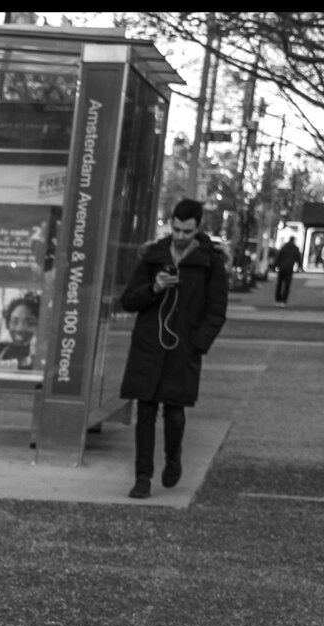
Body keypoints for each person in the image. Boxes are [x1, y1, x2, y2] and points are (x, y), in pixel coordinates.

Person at [117, 198, 228, 499]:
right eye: (176, 229)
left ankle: (173, 458)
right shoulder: (153, 256)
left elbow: (217, 309)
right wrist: (154, 288)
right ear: (171, 225)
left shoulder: (210, 262)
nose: (180, 237)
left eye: (187, 232)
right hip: (149, 344)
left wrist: (198, 344)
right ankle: (142, 477)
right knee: (146, 411)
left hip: (183, 346)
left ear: (197, 229)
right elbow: (128, 300)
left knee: (175, 411)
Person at [0, 293, 41, 369]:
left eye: (30, 323)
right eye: (14, 322)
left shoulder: (41, 357)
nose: (20, 329)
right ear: (7, 324)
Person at [273, 235, 303, 305]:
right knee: (287, 285)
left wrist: (275, 266)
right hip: (289, 268)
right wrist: (300, 267)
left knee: (279, 284)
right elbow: (298, 258)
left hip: (282, 268)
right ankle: (284, 300)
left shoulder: (284, 247)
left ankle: (277, 299)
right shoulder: (295, 248)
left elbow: (278, 256)